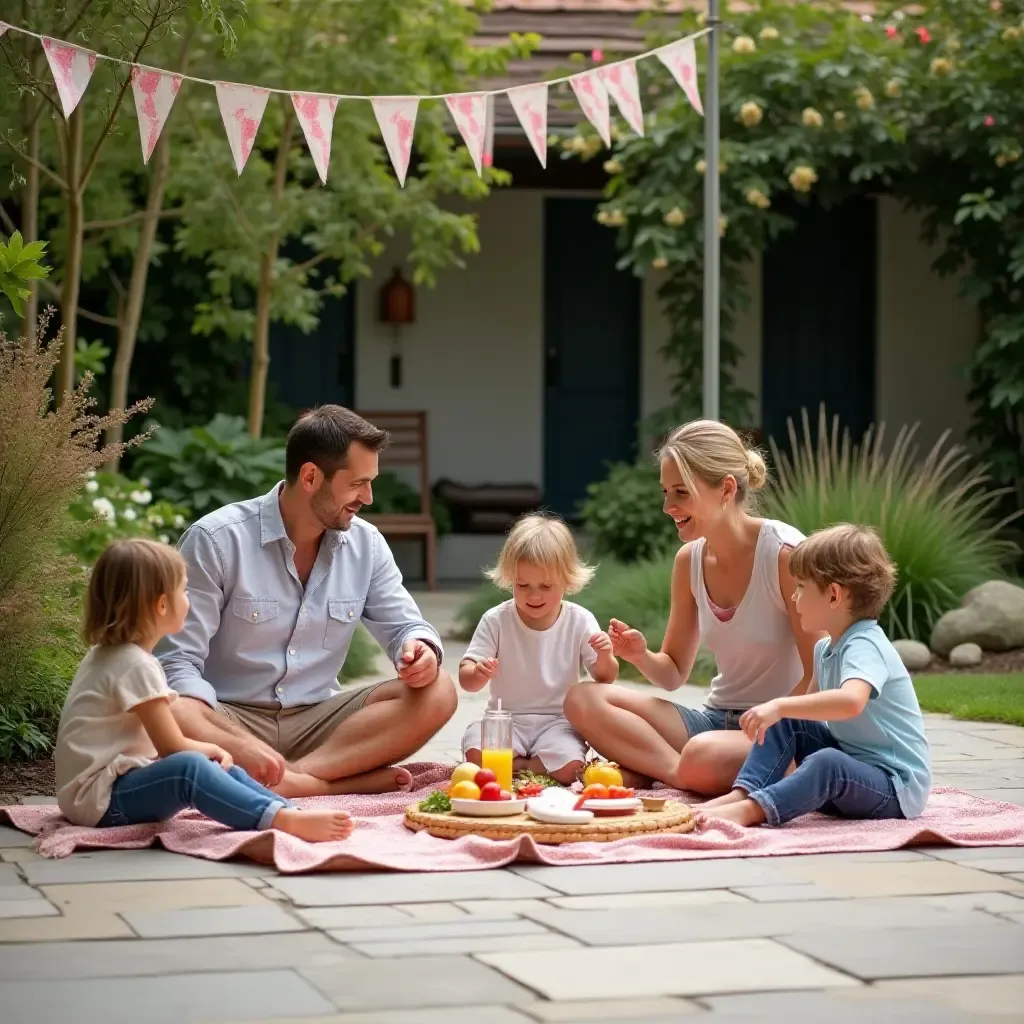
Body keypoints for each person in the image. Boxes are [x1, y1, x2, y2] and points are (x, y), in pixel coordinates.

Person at [157, 405, 458, 798]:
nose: (367, 497)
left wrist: (418, 649)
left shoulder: (366, 545)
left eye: (371, 483)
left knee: (440, 689)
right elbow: (175, 663)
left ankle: (294, 780)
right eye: (357, 484)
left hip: (321, 723)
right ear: (311, 476)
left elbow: (404, 626)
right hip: (229, 718)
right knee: (172, 704)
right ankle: (328, 784)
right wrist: (233, 737)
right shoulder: (216, 540)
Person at [564, 419, 822, 795]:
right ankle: (681, 774)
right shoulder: (690, 559)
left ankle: (671, 771)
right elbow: (672, 674)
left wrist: (773, 719)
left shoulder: (784, 555)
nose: (668, 507)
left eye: (681, 493)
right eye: (666, 492)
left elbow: (818, 676)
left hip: (784, 727)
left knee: (701, 753)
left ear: (726, 489)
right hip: (715, 721)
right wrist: (640, 655)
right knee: (582, 699)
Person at [55, 539, 352, 842]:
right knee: (191, 766)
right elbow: (171, 746)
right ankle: (280, 819)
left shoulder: (112, 655)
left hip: (101, 793)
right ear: (161, 605)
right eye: (183, 590)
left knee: (206, 762)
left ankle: (285, 810)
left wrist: (214, 754)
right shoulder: (134, 665)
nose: (188, 599)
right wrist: (214, 748)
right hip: (101, 803)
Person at [702, 524, 931, 827]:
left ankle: (754, 810)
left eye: (801, 587)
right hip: (855, 774)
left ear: (834, 595)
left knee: (826, 762)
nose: (794, 598)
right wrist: (779, 713)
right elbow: (805, 715)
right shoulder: (824, 649)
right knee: (788, 721)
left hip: (894, 788)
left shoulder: (866, 645)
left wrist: (780, 706)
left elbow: (851, 702)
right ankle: (744, 792)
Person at [459, 514, 618, 784]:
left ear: (567, 582)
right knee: (475, 751)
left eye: (545, 586)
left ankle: (514, 768)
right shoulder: (496, 619)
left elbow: (605, 678)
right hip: (505, 719)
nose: (534, 596)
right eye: (523, 585)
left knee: (571, 766)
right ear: (510, 579)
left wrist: (605, 655)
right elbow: (466, 680)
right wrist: (479, 672)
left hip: (559, 721)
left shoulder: (580, 620)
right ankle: (534, 767)